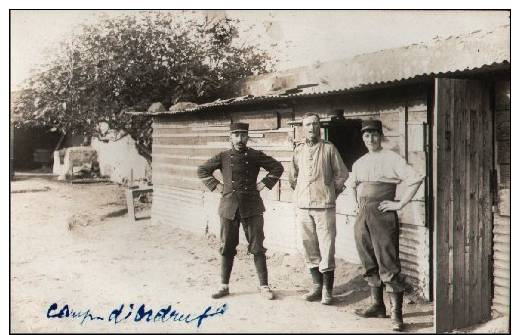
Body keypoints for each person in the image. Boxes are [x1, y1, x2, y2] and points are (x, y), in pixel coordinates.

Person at [346, 119, 424, 331]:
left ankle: (397, 315)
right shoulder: (360, 162)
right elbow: (351, 185)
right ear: (362, 138)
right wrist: (356, 206)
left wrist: (400, 203)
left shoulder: (392, 158)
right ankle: (377, 305)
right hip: (363, 214)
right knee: (368, 259)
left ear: (381, 137)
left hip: (382, 215)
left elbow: (416, 178)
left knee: (387, 261)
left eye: (374, 135)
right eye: (366, 136)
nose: (370, 139)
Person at [197, 122, 284, 300]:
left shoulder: (255, 155)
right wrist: (218, 187)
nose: (240, 139)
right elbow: (202, 170)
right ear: (230, 137)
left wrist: (263, 184)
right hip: (228, 208)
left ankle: (264, 286)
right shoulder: (223, 156)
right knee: (227, 247)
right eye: (236, 135)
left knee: (257, 247)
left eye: (243, 135)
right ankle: (224, 286)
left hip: (252, 208)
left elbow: (277, 167)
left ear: (247, 137)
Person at [288, 113, 349, 305]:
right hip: (304, 207)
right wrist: (301, 193)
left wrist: (331, 192)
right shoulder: (298, 150)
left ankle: (327, 291)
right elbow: (292, 177)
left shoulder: (329, 149)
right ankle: (316, 286)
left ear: (319, 127)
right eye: (308, 125)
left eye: (315, 124)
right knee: (309, 246)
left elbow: (342, 174)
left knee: (327, 247)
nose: (312, 128)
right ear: (302, 128)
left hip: (324, 207)